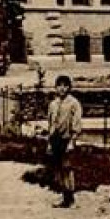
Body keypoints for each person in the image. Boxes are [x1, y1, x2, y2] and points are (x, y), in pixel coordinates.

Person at [45, 75, 83, 208]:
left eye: (65, 86)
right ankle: (64, 197)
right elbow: (50, 123)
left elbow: (76, 123)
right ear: (56, 87)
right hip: (56, 139)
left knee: (67, 168)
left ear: (69, 87)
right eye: (59, 85)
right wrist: (49, 142)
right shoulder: (53, 104)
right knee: (59, 169)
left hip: (67, 139)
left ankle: (71, 197)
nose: (62, 88)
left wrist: (72, 141)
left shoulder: (74, 103)